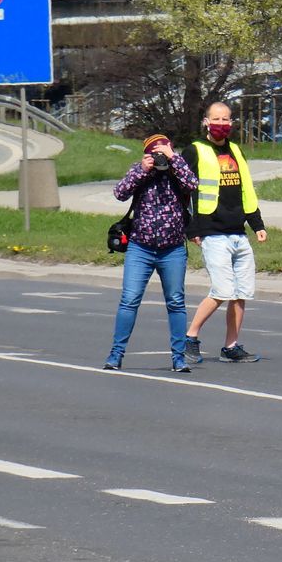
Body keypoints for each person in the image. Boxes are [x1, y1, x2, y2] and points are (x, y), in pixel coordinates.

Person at [177, 103, 268, 364]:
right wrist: (191, 228)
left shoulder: (236, 150)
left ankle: (231, 346)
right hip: (212, 232)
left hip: (238, 231)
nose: (222, 123)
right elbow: (182, 192)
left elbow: (246, 189)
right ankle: (190, 337)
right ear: (206, 121)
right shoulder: (195, 150)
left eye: (226, 119)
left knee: (241, 294)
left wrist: (257, 224)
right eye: (216, 119)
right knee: (222, 290)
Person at [104, 134, 198, 373]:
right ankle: (116, 355)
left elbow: (193, 185)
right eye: (153, 151)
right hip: (141, 247)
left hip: (173, 249)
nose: (159, 156)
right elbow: (120, 193)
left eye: (163, 149)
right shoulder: (140, 170)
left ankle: (179, 358)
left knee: (176, 302)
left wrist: (174, 160)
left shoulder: (178, 169)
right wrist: (142, 171)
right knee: (129, 299)